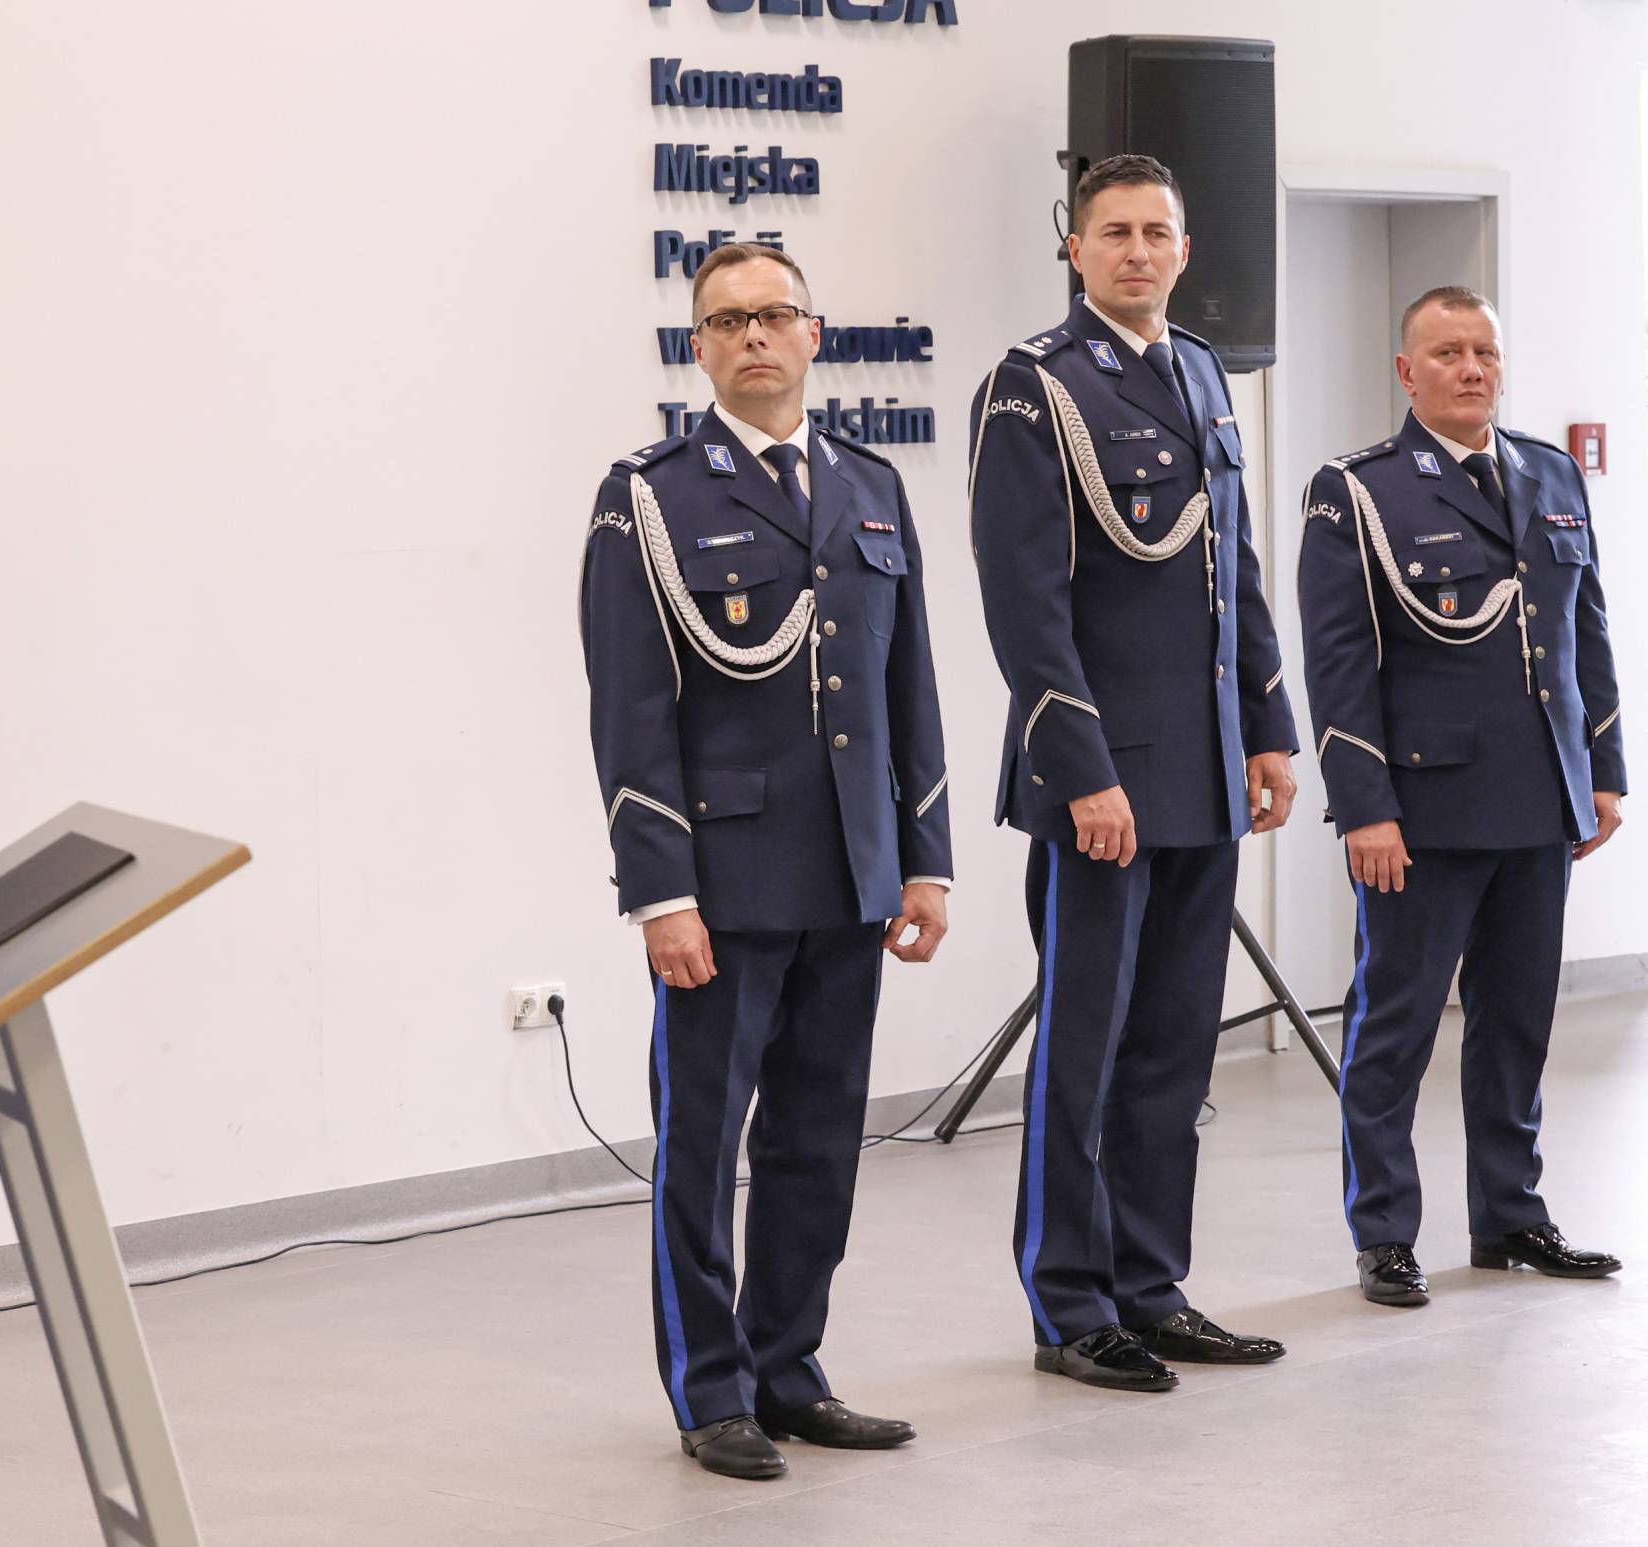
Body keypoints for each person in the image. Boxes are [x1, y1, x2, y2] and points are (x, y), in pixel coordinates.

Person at [580, 242, 954, 1479]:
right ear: (697, 347)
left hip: (849, 873)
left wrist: (924, 858)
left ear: (812, 334)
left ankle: (789, 1368)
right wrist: (659, 890)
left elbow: (908, 689)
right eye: (727, 320)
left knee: (817, 1138)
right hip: (723, 882)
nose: (753, 336)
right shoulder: (648, 497)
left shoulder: (869, 485)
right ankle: (711, 1389)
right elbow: (629, 712)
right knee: (701, 1146)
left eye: (773, 315)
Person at [966, 155, 1298, 1392]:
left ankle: (1151, 1287)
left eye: (1157, 232)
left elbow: (1234, 568)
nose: (1137, 252)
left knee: (1172, 1048)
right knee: (1086, 1052)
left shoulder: (1203, 371)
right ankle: (1069, 1304)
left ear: (1184, 250)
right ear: (1075, 248)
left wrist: (1267, 725)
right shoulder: (1033, 386)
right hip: (1100, 782)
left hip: (1203, 772)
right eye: (1113, 232)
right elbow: (1023, 600)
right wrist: (1080, 769)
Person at [1296, 286, 1626, 1308]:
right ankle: (1385, 1232)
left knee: (1517, 1021)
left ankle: (1511, 1214)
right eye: (1447, 352)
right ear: (1407, 372)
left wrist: (1603, 769)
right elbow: (1338, 664)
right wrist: (1364, 806)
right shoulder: (1357, 490)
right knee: (1393, 1027)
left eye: (1484, 350)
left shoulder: (1550, 473)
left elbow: (1586, 631)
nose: (1471, 368)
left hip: (1539, 802)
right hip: (1423, 812)